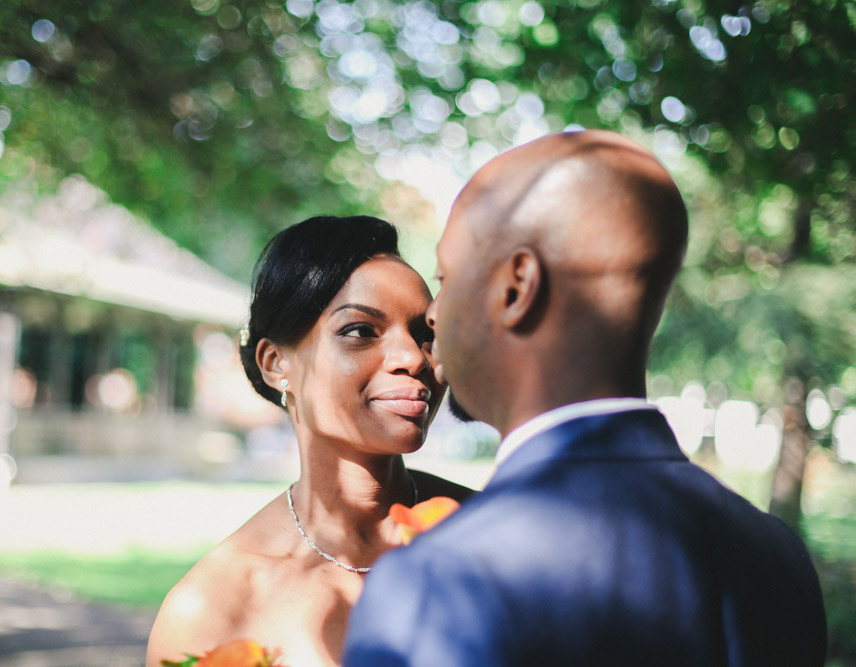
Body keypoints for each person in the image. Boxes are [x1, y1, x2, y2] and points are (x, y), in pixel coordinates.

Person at [343, 130, 827, 666]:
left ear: (516, 286)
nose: (433, 316)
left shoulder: (440, 585)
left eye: (447, 277)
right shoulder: (776, 554)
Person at [147, 215, 472, 667]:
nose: (413, 358)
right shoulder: (213, 607)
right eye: (360, 331)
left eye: (426, 335)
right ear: (276, 363)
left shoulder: (496, 532)